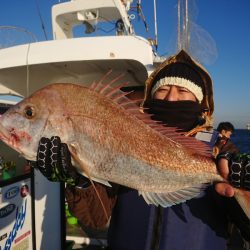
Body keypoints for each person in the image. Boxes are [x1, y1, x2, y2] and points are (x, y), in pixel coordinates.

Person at [36, 50, 250, 249]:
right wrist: (79, 181)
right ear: (150, 98)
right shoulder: (122, 136)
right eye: (163, 90)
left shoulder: (220, 150)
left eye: (183, 91)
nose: (171, 98)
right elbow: (96, 218)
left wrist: (244, 185)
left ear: (200, 101)